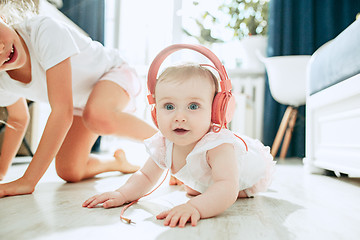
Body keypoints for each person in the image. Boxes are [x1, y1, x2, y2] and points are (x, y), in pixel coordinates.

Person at [83, 60, 276, 228]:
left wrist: (195, 207)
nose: (179, 117)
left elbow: (227, 187)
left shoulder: (218, 145)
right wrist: (121, 194)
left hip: (247, 175)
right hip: (212, 177)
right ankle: (202, 186)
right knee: (197, 189)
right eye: (169, 106)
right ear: (154, 111)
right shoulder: (163, 142)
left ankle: (208, 188)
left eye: (193, 106)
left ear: (216, 111)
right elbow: (145, 176)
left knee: (219, 189)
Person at [0, 2, 157, 197]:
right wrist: (1, 172)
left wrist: (28, 181)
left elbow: (61, 112)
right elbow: (18, 118)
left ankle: (169, 145)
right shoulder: (2, 81)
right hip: (79, 104)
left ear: (2, 18)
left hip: (112, 74)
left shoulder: (43, 30)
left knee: (98, 115)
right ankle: (118, 163)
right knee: (69, 170)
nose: (0, 48)